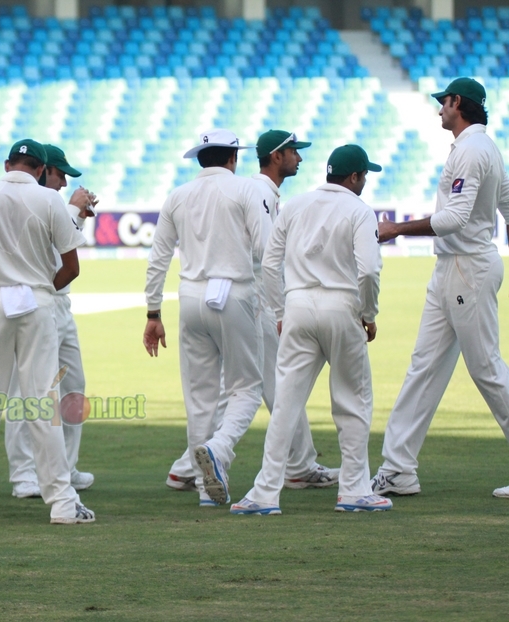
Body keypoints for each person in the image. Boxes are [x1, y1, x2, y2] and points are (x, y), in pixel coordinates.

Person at [165, 130, 339, 500]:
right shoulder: (254, 191)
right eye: (293, 151)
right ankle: (295, 465)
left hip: (225, 298)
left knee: (254, 385)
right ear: (276, 156)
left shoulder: (254, 191)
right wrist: (281, 306)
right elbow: (267, 257)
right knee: (265, 385)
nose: (300, 158)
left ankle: (189, 468)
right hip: (252, 301)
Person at [232, 144, 389, 514]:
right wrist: (368, 312)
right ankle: (353, 490)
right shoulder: (359, 210)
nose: (364, 182)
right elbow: (368, 270)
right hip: (341, 306)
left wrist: (280, 310)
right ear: (353, 177)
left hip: (298, 306)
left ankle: (264, 493)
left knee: (286, 403)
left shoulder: (297, 204)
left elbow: (270, 263)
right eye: (364, 176)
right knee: (352, 401)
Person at [372, 77, 509, 499]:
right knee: (424, 366)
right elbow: (506, 201)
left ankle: (397, 468)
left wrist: (398, 228)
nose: (439, 110)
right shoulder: (484, 148)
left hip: (466, 266)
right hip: (457, 266)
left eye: (443, 102)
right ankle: (397, 470)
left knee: (485, 368)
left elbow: (455, 218)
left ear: (459, 103)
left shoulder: (470, 151)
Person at [0, 139, 95, 524]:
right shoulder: (48, 200)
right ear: (40, 167)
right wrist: (41, 286)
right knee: (43, 400)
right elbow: (71, 267)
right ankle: (62, 502)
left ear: (9, 163)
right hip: (37, 302)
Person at [143, 129, 268, 507]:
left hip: (191, 297)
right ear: (232, 158)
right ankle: (220, 449)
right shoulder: (246, 189)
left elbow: (158, 258)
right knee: (247, 388)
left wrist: (153, 312)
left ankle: (205, 488)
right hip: (235, 292)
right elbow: (265, 250)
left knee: (200, 398)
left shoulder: (178, 196)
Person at [5, 143, 97, 498]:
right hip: (34, 304)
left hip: (60, 305)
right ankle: (25, 474)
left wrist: (74, 216)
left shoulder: (53, 204)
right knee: (25, 392)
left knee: (73, 388)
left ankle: (64, 467)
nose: (62, 184)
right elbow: (49, 262)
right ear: (43, 171)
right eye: (59, 175)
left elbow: (64, 260)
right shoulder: (29, 202)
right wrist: (72, 212)